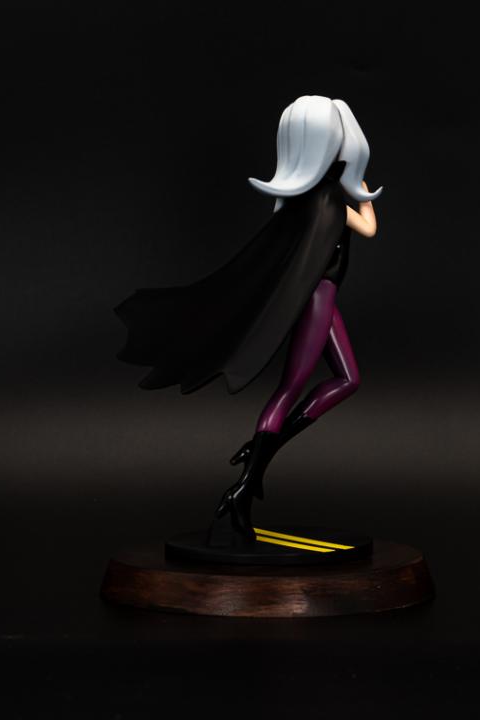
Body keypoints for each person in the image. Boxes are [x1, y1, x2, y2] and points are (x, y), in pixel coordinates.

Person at [114, 95, 382, 540]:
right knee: (293, 387)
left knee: (346, 380)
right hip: (318, 296)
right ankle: (246, 483)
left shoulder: (306, 196)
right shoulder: (329, 197)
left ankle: (258, 456)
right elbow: (368, 228)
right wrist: (360, 182)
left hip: (321, 296)